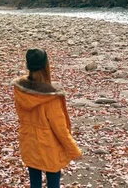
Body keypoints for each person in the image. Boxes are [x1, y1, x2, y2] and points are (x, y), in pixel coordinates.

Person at [12, 48, 82, 188]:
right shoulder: (50, 98)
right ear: (46, 66)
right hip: (49, 148)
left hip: (29, 142)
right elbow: (60, 130)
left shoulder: (20, 90)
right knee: (53, 181)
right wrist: (74, 150)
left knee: (35, 182)